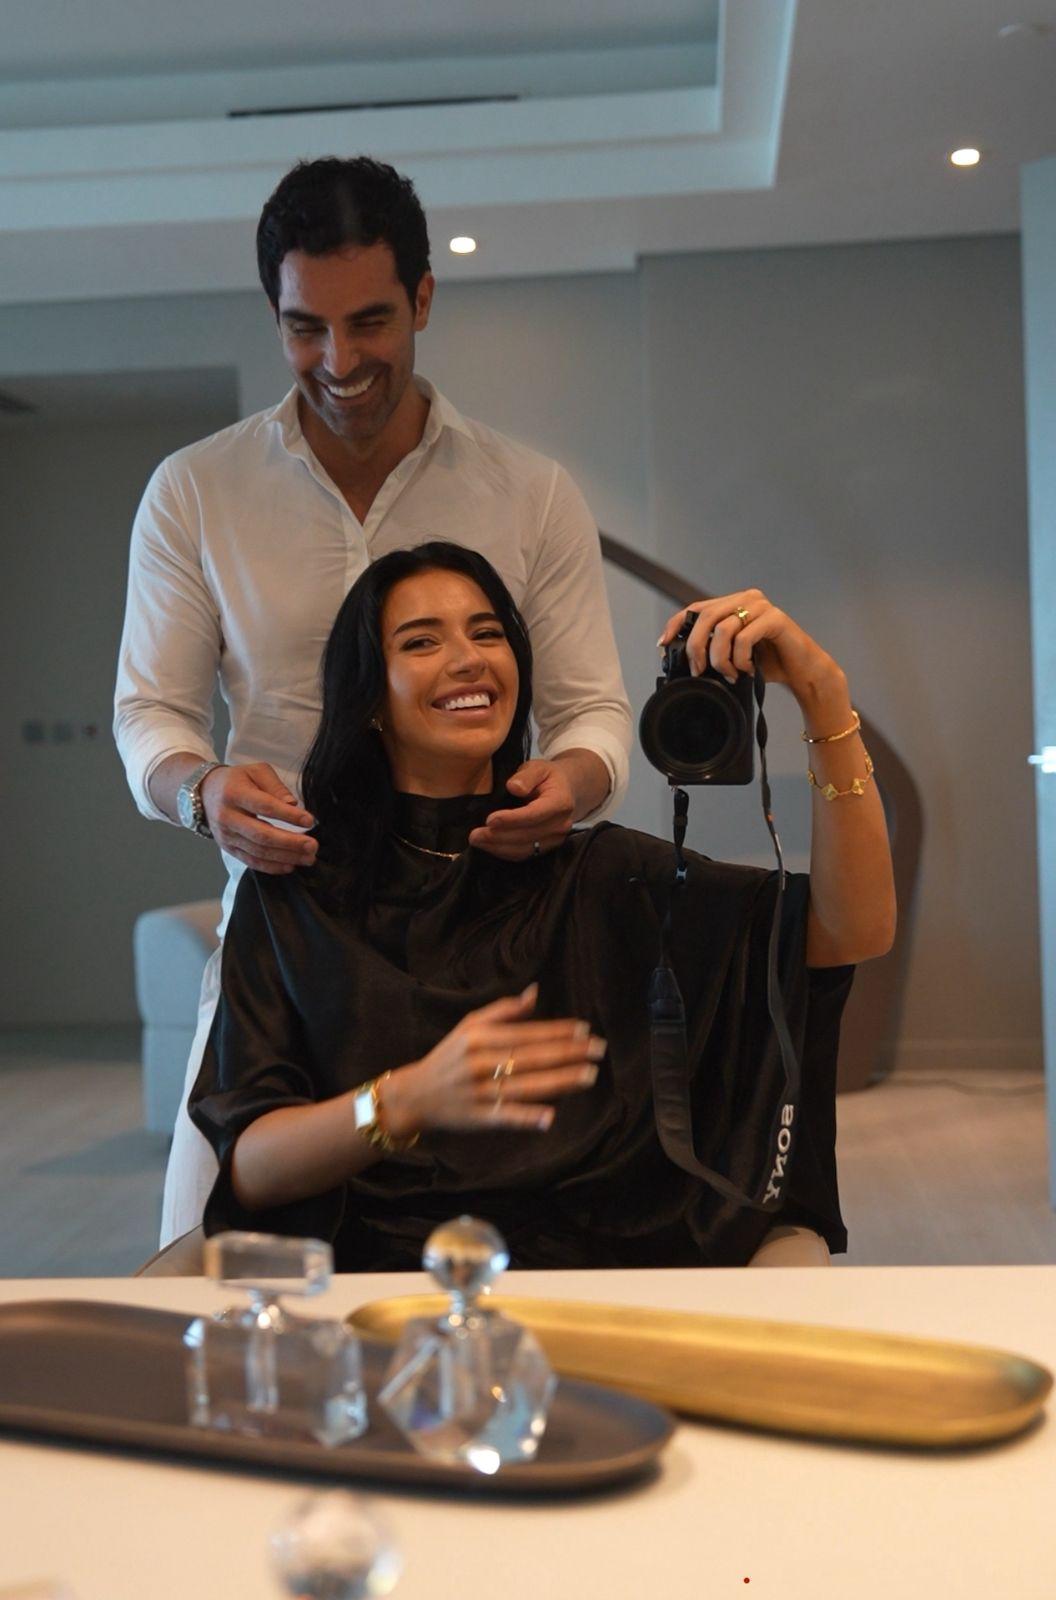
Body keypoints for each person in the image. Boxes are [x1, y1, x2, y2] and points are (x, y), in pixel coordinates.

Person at [113, 158, 631, 1243]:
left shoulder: (530, 493)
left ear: (423, 299)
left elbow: (592, 712)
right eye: (305, 329)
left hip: (486, 933)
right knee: (203, 1257)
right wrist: (203, 790)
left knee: (534, 1239)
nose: (340, 362)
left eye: (370, 322)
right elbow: (148, 713)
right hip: (286, 939)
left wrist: (573, 784)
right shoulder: (195, 491)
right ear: (275, 315)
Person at [189, 542, 895, 1270]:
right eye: (422, 641)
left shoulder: (604, 875)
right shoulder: (299, 892)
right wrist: (404, 1100)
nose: (468, 659)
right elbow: (251, 1166)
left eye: (487, 633)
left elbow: (851, 930)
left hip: (606, 1273)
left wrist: (822, 690)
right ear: (369, 696)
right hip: (394, 1287)